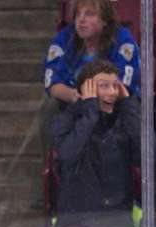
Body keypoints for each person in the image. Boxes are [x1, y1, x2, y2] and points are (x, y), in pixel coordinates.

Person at [50, 59, 143, 227]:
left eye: (115, 85)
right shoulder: (66, 120)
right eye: (103, 86)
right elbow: (67, 155)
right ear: (86, 89)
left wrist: (130, 107)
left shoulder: (125, 119)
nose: (112, 92)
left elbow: (150, 157)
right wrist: (90, 111)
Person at [39, 0, 140, 156]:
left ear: (105, 20)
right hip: (78, 100)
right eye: (78, 14)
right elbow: (52, 84)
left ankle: (138, 166)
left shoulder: (123, 40)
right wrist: (75, 96)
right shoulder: (65, 38)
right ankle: (55, 162)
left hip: (113, 101)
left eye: (89, 14)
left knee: (132, 105)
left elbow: (123, 87)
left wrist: (94, 99)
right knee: (50, 107)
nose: (81, 20)